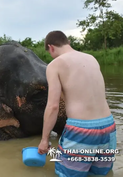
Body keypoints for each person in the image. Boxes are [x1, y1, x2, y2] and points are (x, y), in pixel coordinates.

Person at [38, 31, 116, 177]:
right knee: (100, 174)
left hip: (82, 130)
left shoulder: (55, 65)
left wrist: (44, 139)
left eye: (50, 53)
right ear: (68, 42)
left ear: (51, 47)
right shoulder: (92, 58)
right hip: (108, 127)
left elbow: (53, 106)